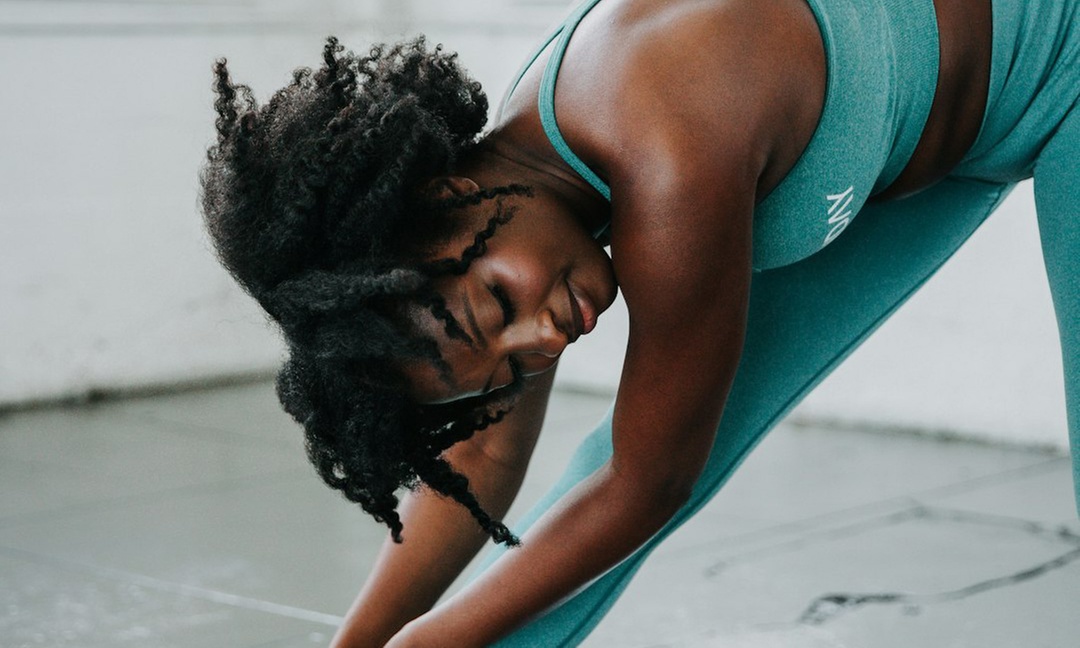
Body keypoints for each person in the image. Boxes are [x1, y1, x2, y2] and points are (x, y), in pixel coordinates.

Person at [199, 0, 1078, 643]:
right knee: (562, 541)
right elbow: (487, 456)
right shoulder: (513, 192)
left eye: (497, 308)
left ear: (449, 194)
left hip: (1062, 60)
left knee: (623, 488)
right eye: (507, 368)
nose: (541, 342)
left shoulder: (662, 141)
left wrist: (435, 641)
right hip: (928, 142)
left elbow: (647, 485)